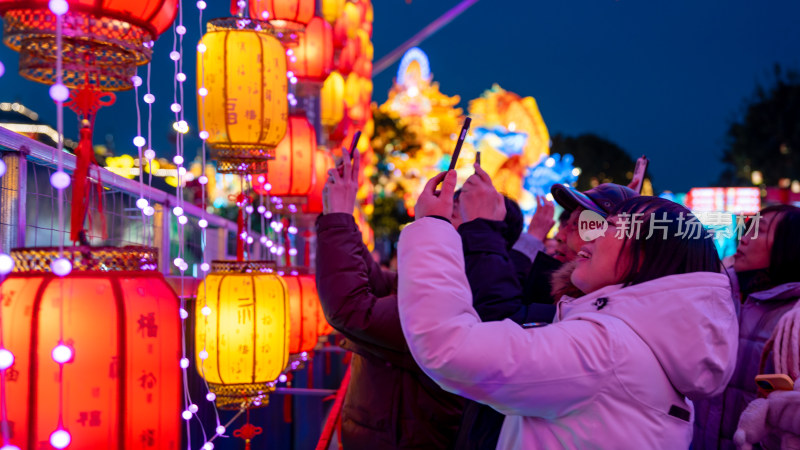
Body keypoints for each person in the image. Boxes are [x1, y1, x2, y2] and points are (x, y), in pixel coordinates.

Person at [397, 166, 739, 448]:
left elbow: (448, 347)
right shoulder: (630, 345)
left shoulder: (605, 350)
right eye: (575, 222)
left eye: (607, 226)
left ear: (645, 257)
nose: (588, 236)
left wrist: (433, 226)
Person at [315, 149, 464, 448]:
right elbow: (376, 282)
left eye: (452, 213)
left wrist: (339, 217)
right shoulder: (440, 282)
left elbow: (352, 309)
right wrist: (341, 217)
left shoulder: (458, 296)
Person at [693, 204, 800, 449]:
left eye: (758, 231)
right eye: (746, 229)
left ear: (790, 246)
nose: (743, 238)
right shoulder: (715, 293)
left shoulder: (794, 320)